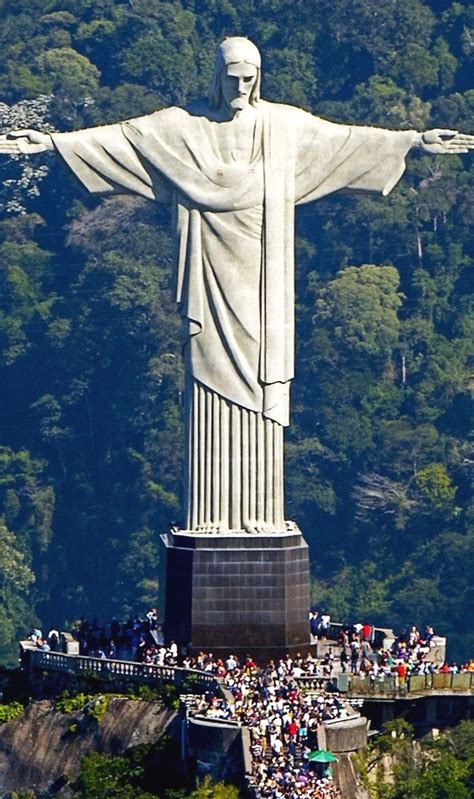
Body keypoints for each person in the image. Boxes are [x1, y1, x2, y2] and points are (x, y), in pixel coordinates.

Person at [2, 37, 473, 534]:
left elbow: (347, 141)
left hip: (263, 282)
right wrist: (52, 143)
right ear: (216, 75)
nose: (241, 87)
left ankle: (260, 515)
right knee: (209, 377)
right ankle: (208, 516)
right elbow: (121, 139)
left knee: (259, 382)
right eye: (232, 77)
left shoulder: (282, 127)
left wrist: (416, 141)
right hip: (209, 274)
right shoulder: (182, 127)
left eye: (249, 78)